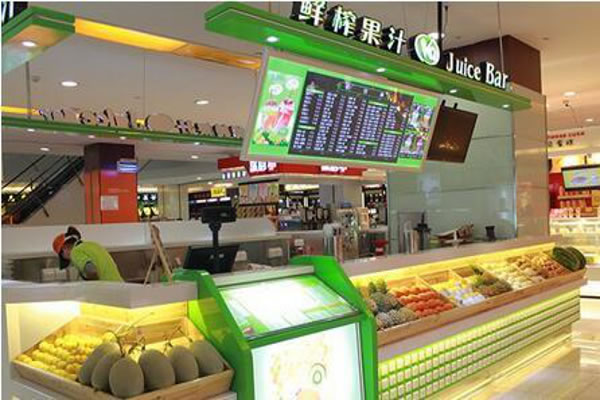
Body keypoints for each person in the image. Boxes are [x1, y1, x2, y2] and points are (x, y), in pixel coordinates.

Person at [52, 226, 123, 281]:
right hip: (119, 286)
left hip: (109, 291)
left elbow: (91, 271)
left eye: (63, 257)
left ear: (64, 248)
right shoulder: (93, 245)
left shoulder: (75, 252)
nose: (69, 260)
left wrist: (91, 288)